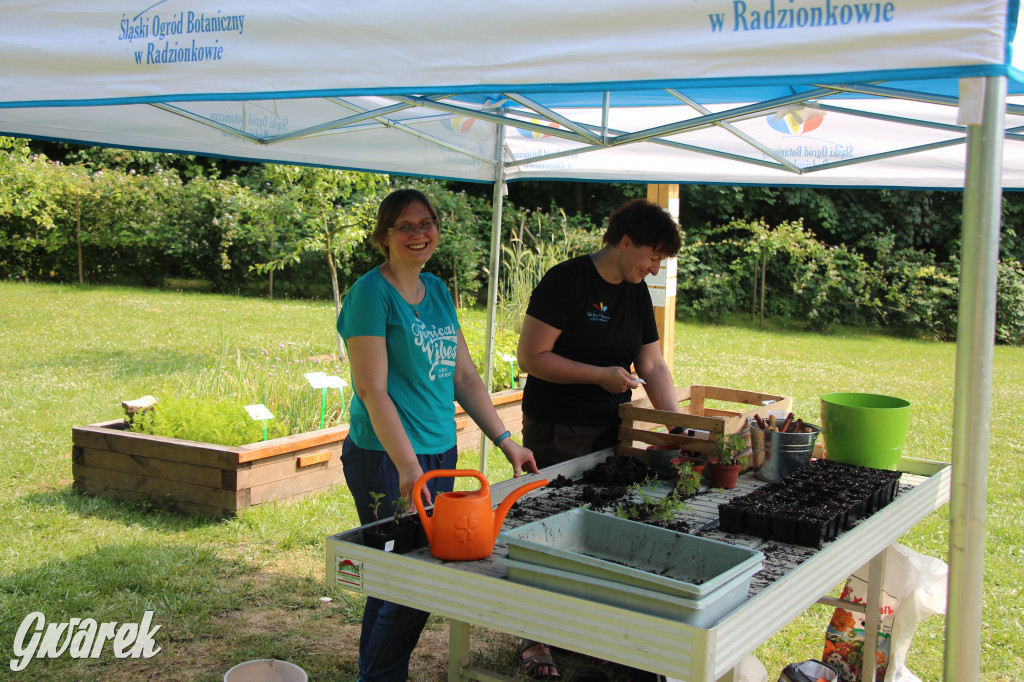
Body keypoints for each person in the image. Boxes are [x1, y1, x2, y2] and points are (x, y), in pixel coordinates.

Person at [338, 188, 539, 682]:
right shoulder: (371, 293)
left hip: (439, 453)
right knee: (416, 579)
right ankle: (381, 676)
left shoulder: (438, 292)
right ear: (384, 236)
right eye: (405, 225)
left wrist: (505, 441)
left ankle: (375, 673)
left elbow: (464, 377)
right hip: (387, 456)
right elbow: (371, 389)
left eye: (426, 223)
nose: (418, 233)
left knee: (396, 574)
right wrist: (408, 466)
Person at [513, 198, 684, 679]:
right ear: (625, 242)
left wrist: (676, 426)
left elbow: (652, 364)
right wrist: (598, 376)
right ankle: (536, 634)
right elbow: (532, 357)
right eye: (651, 257)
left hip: (613, 428)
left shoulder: (636, 294)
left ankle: (590, 628)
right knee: (548, 525)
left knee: (601, 525)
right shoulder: (566, 281)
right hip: (557, 426)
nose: (654, 268)